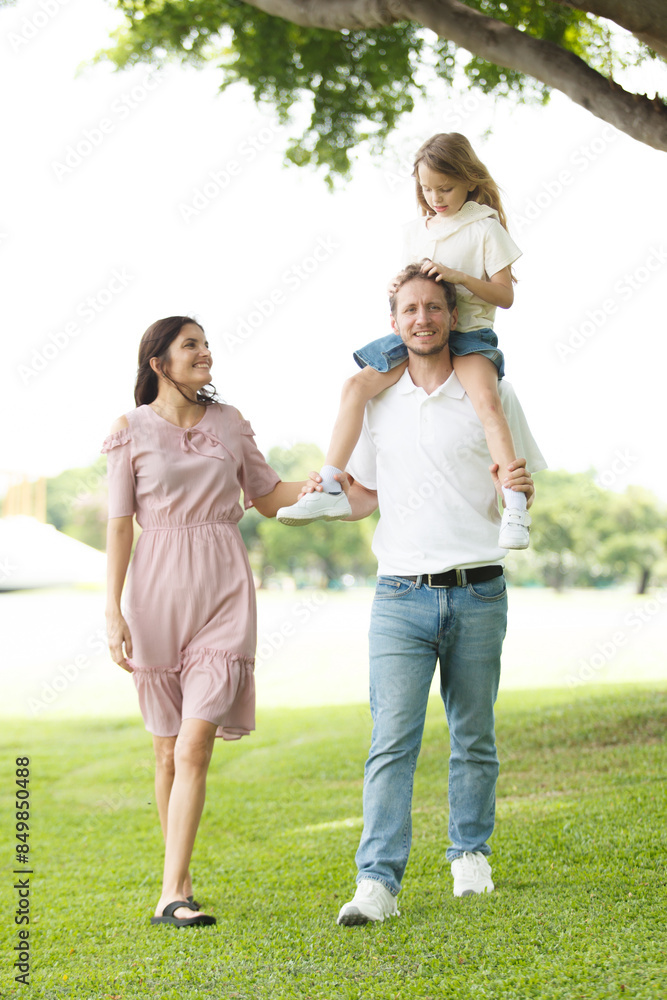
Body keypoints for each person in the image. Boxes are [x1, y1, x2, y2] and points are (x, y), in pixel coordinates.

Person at [309, 264, 545, 925]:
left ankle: (469, 854)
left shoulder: (489, 390)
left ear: (450, 317)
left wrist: (519, 491)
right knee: (391, 741)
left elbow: (519, 482)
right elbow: (363, 500)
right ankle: (375, 883)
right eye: (409, 309)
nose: (421, 318)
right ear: (394, 323)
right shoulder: (376, 402)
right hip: (399, 597)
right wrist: (318, 495)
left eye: (433, 308)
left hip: (477, 590)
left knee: (473, 735)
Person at [103, 316, 307, 928]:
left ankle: (169, 896)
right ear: (159, 363)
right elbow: (118, 526)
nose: (205, 352)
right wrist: (111, 611)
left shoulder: (230, 423)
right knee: (166, 748)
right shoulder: (128, 431)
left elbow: (269, 495)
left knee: (195, 742)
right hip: (155, 592)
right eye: (190, 344)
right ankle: (179, 883)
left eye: (206, 343)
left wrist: (334, 490)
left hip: (223, 588)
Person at [277, 132, 531, 549]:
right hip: (426, 330)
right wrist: (402, 283)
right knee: (355, 385)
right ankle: (328, 485)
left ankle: (516, 507)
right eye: (427, 189)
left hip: (467, 334)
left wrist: (459, 277)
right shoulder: (416, 230)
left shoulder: (484, 228)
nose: (435, 197)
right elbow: (413, 288)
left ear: (468, 179)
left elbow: (505, 296)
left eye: (444, 188)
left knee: (487, 402)